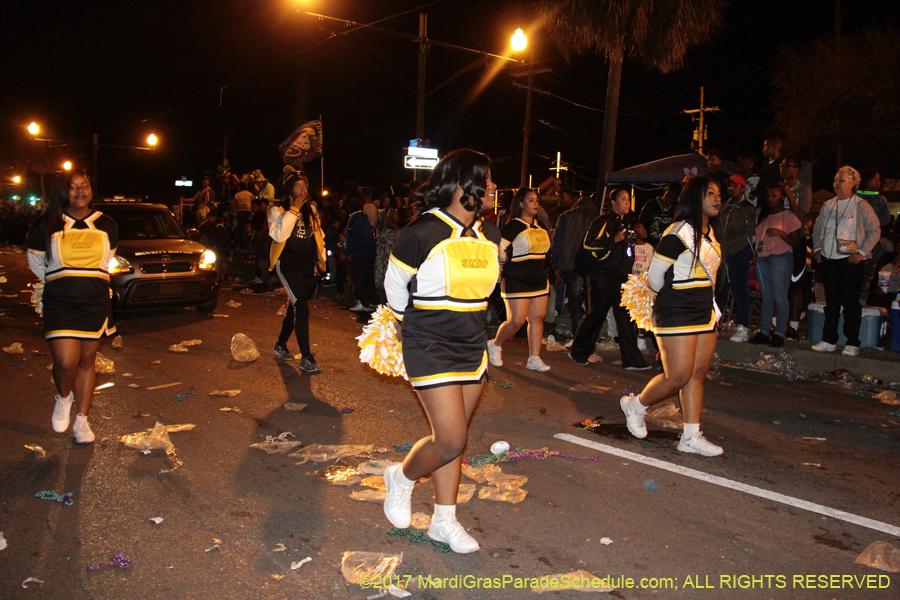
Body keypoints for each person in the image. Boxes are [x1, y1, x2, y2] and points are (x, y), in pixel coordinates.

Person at [382, 149, 500, 554]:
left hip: (472, 345)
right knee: (449, 439)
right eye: (487, 180)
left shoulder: (489, 234)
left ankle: (444, 520)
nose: (494, 188)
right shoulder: (421, 233)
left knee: (456, 439)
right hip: (429, 343)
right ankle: (401, 478)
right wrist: (409, 326)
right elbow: (394, 288)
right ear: (465, 184)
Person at [619, 176, 724, 456]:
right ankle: (635, 405)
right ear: (694, 198)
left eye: (718, 194)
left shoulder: (712, 233)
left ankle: (690, 436)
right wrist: (676, 300)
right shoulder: (677, 233)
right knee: (677, 375)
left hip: (704, 311)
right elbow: (654, 277)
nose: (717, 198)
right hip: (676, 311)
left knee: (697, 374)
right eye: (710, 193)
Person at [26, 171, 118, 444]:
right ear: (62, 192)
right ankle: (64, 397)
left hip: (95, 301)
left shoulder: (107, 224)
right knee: (66, 362)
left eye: (85, 185)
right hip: (61, 301)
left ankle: (82, 421)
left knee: (87, 361)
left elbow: (106, 260)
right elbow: (37, 265)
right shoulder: (45, 225)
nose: (80, 191)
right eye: (73, 187)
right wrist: (62, 280)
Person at [569, 188, 649, 370]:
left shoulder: (627, 223)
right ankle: (578, 353)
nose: (627, 203)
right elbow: (589, 244)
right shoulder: (602, 221)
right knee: (596, 316)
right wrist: (613, 239)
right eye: (622, 199)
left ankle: (632, 361)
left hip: (622, 275)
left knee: (626, 318)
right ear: (612, 202)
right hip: (602, 276)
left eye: (628, 199)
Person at [811, 166, 881, 357]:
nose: (837, 183)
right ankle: (829, 339)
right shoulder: (828, 205)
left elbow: (874, 230)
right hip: (829, 258)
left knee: (850, 300)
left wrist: (861, 252)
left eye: (841, 180)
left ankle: (852, 341)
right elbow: (817, 229)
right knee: (831, 300)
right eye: (835, 180)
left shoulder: (861, 205)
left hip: (850, 260)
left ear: (854, 184)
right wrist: (817, 248)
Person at [487, 188, 552, 372]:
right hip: (516, 278)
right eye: (531, 200)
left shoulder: (540, 226)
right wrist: (501, 264)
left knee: (537, 318)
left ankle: (534, 358)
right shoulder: (513, 226)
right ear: (521, 204)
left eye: (537, 201)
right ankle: (495, 344)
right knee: (516, 321)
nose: (535, 204)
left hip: (538, 278)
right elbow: (500, 247)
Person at [269, 171, 326, 372]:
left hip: (306, 265)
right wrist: (293, 210)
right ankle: (306, 358)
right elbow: (280, 234)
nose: (303, 189)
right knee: (301, 307)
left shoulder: (311, 210)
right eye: (298, 186)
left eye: (305, 186)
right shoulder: (278, 211)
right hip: (287, 264)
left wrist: (320, 260)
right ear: (289, 190)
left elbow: (318, 236)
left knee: (295, 306)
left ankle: (280, 344)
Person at [748, 185, 802, 347]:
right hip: (762, 259)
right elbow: (757, 238)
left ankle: (779, 333)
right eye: (768, 195)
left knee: (780, 296)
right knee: (767, 297)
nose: (770, 198)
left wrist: (782, 234)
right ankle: (764, 331)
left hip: (780, 258)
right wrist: (754, 254)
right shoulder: (763, 216)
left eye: (774, 195)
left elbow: (796, 241)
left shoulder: (789, 217)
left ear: (783, 197)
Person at [550, 192, 598, 333]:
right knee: (591, 303)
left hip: (571, 265)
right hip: (590, 266)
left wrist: (556, 265)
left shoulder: (565, 216)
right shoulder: (596, 217)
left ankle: (577, 336)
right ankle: (588, 337)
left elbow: (557, 242)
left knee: (575, 304)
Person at [779, 158, 813, 339]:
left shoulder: (803, 190)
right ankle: (777, 325)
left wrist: (789, 194)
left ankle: (793, 327)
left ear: (796, 169)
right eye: (781, 166)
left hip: (796, 241)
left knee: (795, 287)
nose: (783, 169)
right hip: (778, 242)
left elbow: (802, 217)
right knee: (779, 286)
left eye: (787, 166)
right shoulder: (777, 188)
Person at [640, 182, 680, 247]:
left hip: (667, 246)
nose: (671, 200)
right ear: (665, 191)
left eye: (674, 198)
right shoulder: (651, 205)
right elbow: (642, 223)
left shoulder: (676, 208)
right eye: (669, 196)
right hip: (650, 244)